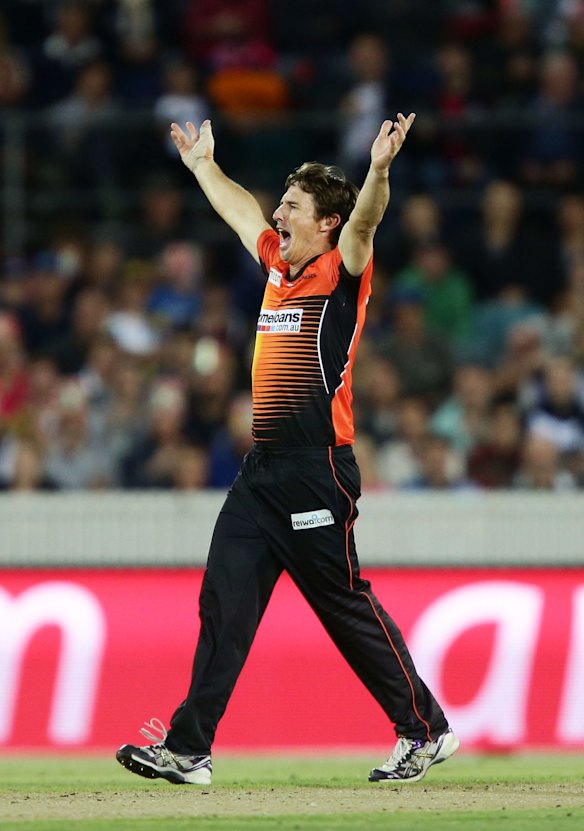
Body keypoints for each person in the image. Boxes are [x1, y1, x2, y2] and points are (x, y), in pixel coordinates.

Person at [116, 113, 459, 785]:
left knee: (343, 604)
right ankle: (189, 750)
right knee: (224, 602)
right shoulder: (279, 262)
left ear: (324, 222)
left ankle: (426, 730)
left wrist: (380, 171)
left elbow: (365, 222)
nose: (278, 213)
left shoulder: (342, 267)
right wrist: (202, 167)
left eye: (293, 207)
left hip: (317, 470)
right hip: (262, 473)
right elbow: (241, 212)